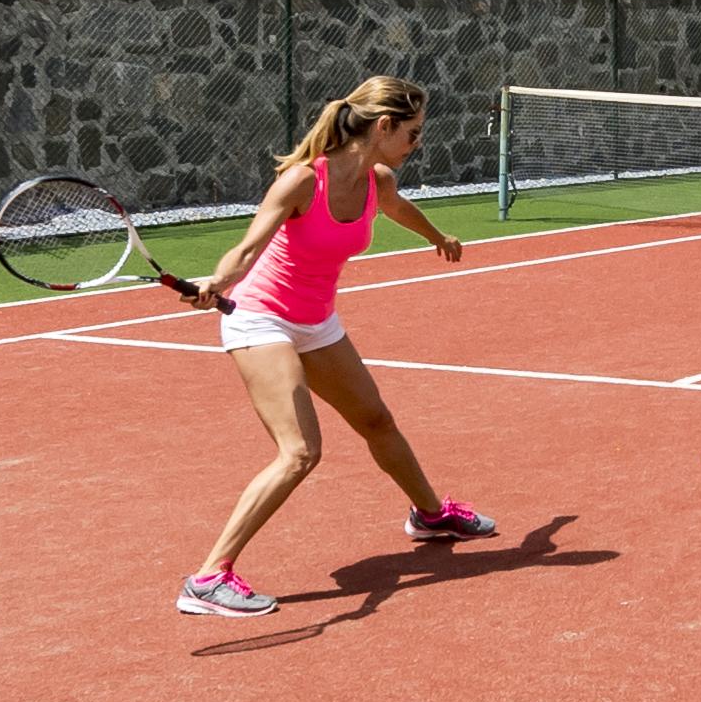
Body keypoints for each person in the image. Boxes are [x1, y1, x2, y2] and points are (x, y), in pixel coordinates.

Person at [177, 75, 497, 618]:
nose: (418, 143)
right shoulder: (303, 181)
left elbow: (398, 211)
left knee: (377, 421)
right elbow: (249, 246)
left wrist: (437, 237)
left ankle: (429, 515)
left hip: (315, 321)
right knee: (300, 452)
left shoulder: (379, 180)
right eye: (413, 133)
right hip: (260, 319)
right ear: (383, 126)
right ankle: (208, 578)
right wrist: (216, 282)